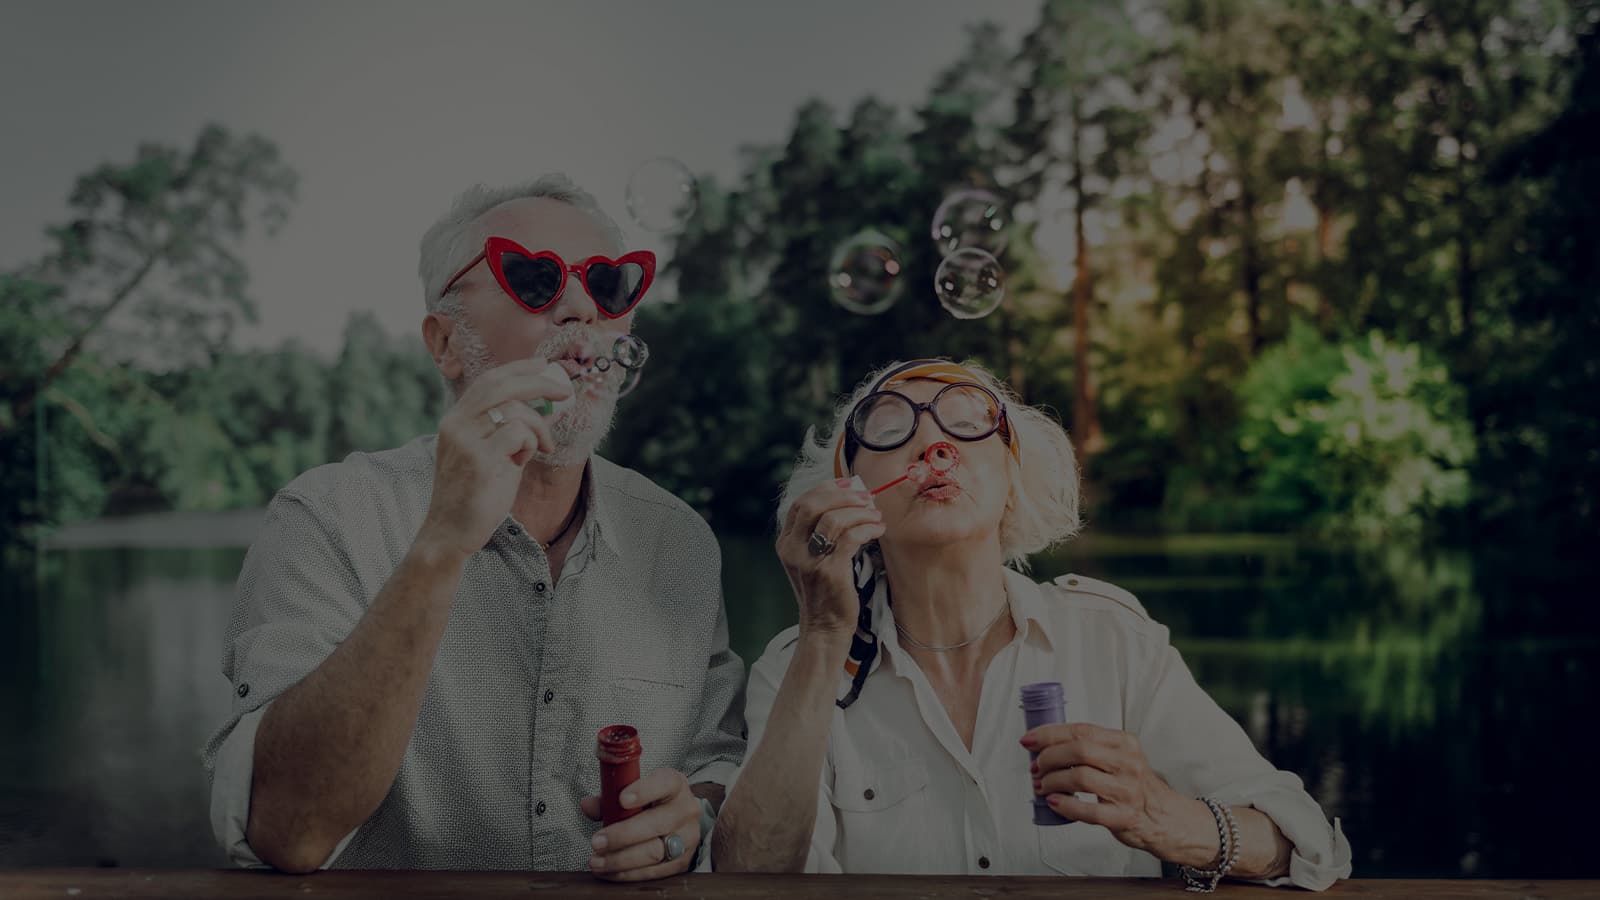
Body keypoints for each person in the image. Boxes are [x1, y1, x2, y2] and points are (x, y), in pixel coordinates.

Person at [201, 175, 745, 879]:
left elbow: (715, 763)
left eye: (608, 285)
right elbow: (287, 830)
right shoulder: (327, 518)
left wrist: (689, 822)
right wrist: (440, 544)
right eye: (536, 279)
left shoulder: (679, 540)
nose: (582, 309)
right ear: (446, 342)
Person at [712, 358, 1351, 891]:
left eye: (967, 422)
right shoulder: (797, 666)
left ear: (1014, 480)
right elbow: (746, 881)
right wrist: (824, 634)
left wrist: (1164, 816)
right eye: (890, 427)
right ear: (849, 491)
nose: (933, 444)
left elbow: (1302, 844)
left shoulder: (1112, 641)